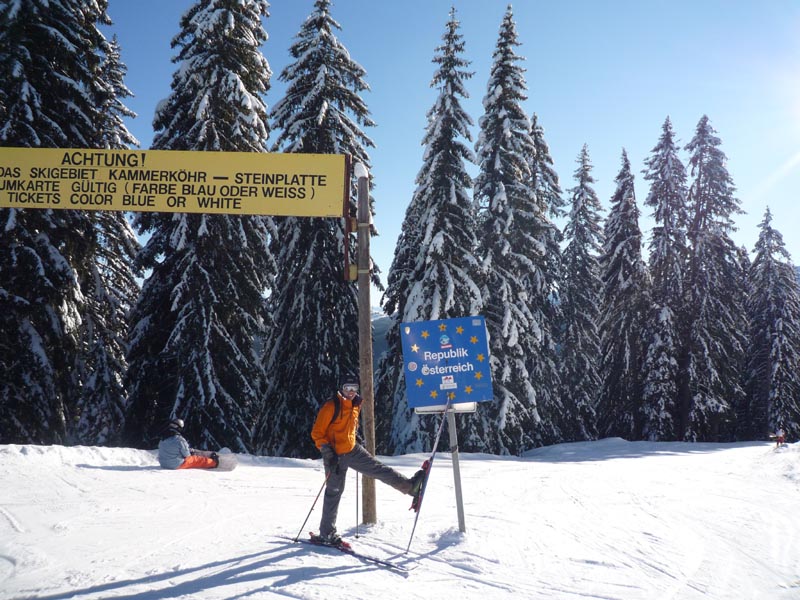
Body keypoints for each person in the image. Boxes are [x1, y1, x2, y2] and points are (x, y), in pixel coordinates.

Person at [311, 375, 425, 545]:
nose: (351, 392)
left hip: (352, 450)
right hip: (335, 456)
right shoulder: (331, 406)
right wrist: (328, 453)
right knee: (334, 492)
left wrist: (355, 436)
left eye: (354, 388)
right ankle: (327, 533)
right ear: (341, 388)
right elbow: (317, 433)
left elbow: (349, 425)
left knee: (378, 469)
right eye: (347, 388)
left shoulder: (356, 404)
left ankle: (410, 487)